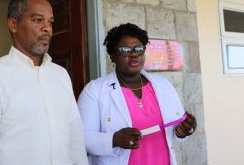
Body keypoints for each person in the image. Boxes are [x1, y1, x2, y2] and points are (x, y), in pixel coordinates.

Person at [0, 0, 88, 165]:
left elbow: (75, 136)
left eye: (50, 22)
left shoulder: (61, 75)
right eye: (38, 20)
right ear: (14, 24)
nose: (48, 29)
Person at [77, 23, 197, 165]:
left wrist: (182, 131)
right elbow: (82, 139)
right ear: (112, 55)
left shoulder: (163, 85)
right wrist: (114, 139)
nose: (134, 54)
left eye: (139, 49)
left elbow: (174, 130)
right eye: (125, 50)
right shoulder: (94, 90)